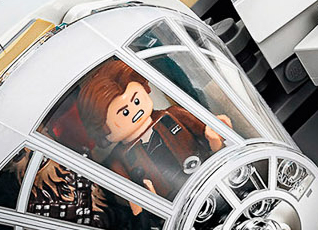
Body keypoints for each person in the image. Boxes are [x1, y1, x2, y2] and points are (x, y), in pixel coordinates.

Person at [77, 56, 225, 203]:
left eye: (136, 101)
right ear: (102, 128)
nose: (135, 111)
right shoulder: (118, 161)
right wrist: (145, 200)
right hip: (175, 203)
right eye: (124, 112)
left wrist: (215, 138)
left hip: (209, 177)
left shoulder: (174, 115)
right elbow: (131, 204)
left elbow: (209, 135)